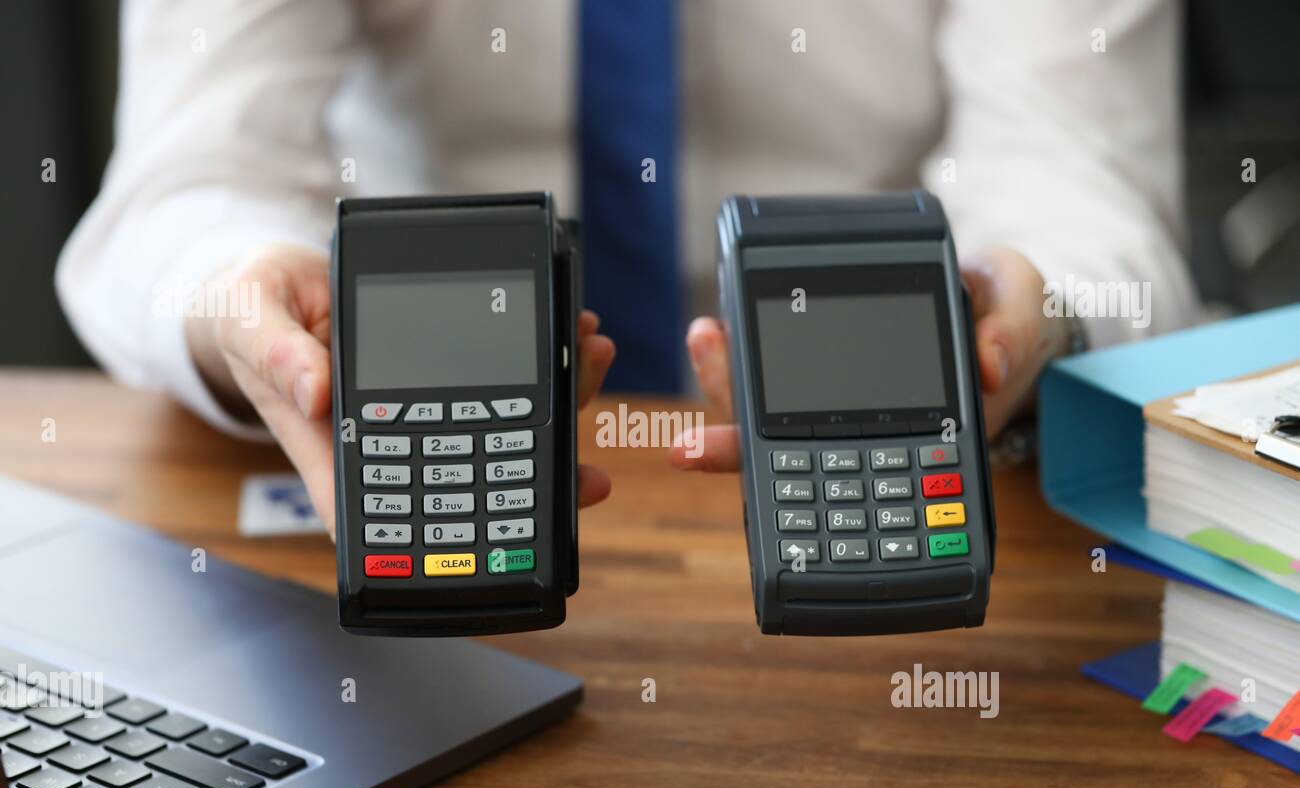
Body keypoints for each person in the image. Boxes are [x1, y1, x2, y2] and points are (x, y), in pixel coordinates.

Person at [57, 0, 1201, 527]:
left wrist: (1012, 310)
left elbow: (1077, 168)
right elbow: (185, 175)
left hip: (864, 422)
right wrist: (249, 302)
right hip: (425, 411)